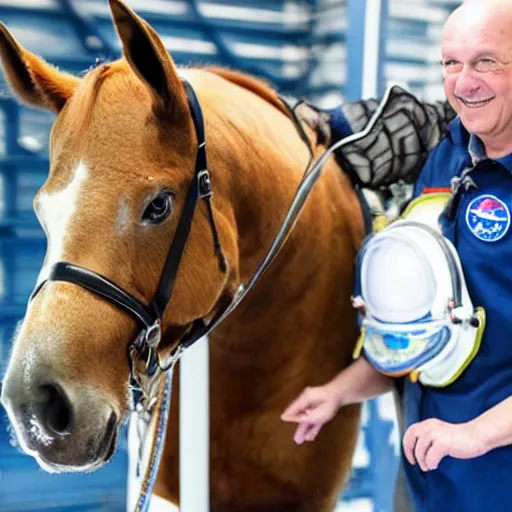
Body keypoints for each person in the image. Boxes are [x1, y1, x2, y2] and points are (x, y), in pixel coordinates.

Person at [282, 1, 512, 510]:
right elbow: (425, 330)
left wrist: (474, 435)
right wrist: (338, 392)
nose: (464, 82)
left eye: (486, 62)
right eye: (451, 63)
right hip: (428, 480)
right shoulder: (446, 156)